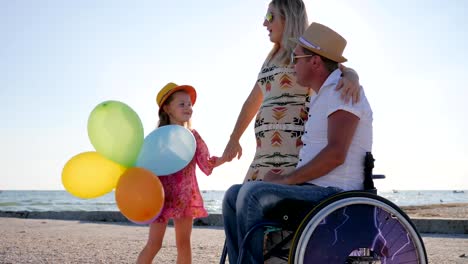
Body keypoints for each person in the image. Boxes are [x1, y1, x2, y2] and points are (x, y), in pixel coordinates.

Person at [222, 22, 373, 263]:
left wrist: (284, 180)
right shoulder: (322, 94)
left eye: (296, 58)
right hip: (314, 191)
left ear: (314, 62)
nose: (292, 65)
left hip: (334, 196)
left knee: (251, 194)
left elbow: (336, 154)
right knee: (232, 195)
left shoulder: (342, 92)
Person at [221, 0, 361, 183]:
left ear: (288, 18)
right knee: (240, 199)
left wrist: (352, 76)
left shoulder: (306, 51)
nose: (265, 23)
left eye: (270, 16)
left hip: (293, 154)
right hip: (264, 154)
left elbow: (336, 67)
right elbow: (252, 101)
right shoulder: (271, 58)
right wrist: (234, 139)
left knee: (259, 202)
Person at [137, 82, 225, 264]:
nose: (188, 108)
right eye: (182, 104)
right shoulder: (158, 138)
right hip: (160, 196)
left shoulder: (193, 136)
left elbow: (206, 165)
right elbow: (146, 166)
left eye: (190, 104)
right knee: (154, 244)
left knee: (184, 244)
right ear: (167, 108)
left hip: (185, 196)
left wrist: (223, 159)